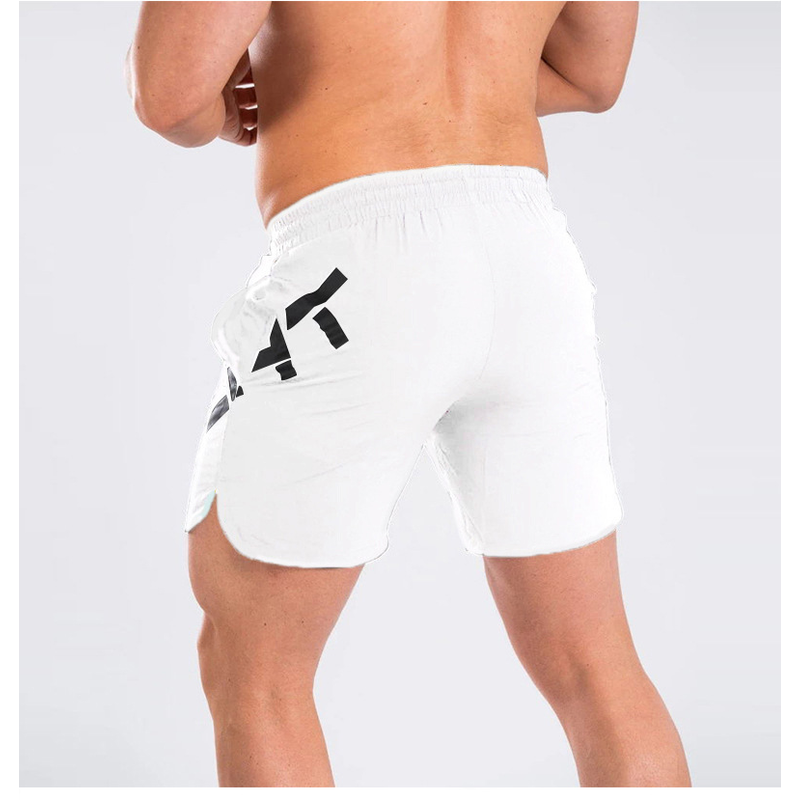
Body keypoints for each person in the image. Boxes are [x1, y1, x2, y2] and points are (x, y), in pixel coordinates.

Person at [126, 1, 690, 787]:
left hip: (356, 256)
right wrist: (469, 87)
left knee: (254, 669)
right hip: (527, 255)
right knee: (595, 665)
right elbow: (594, 77)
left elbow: (168, 94)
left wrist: (230, 111)